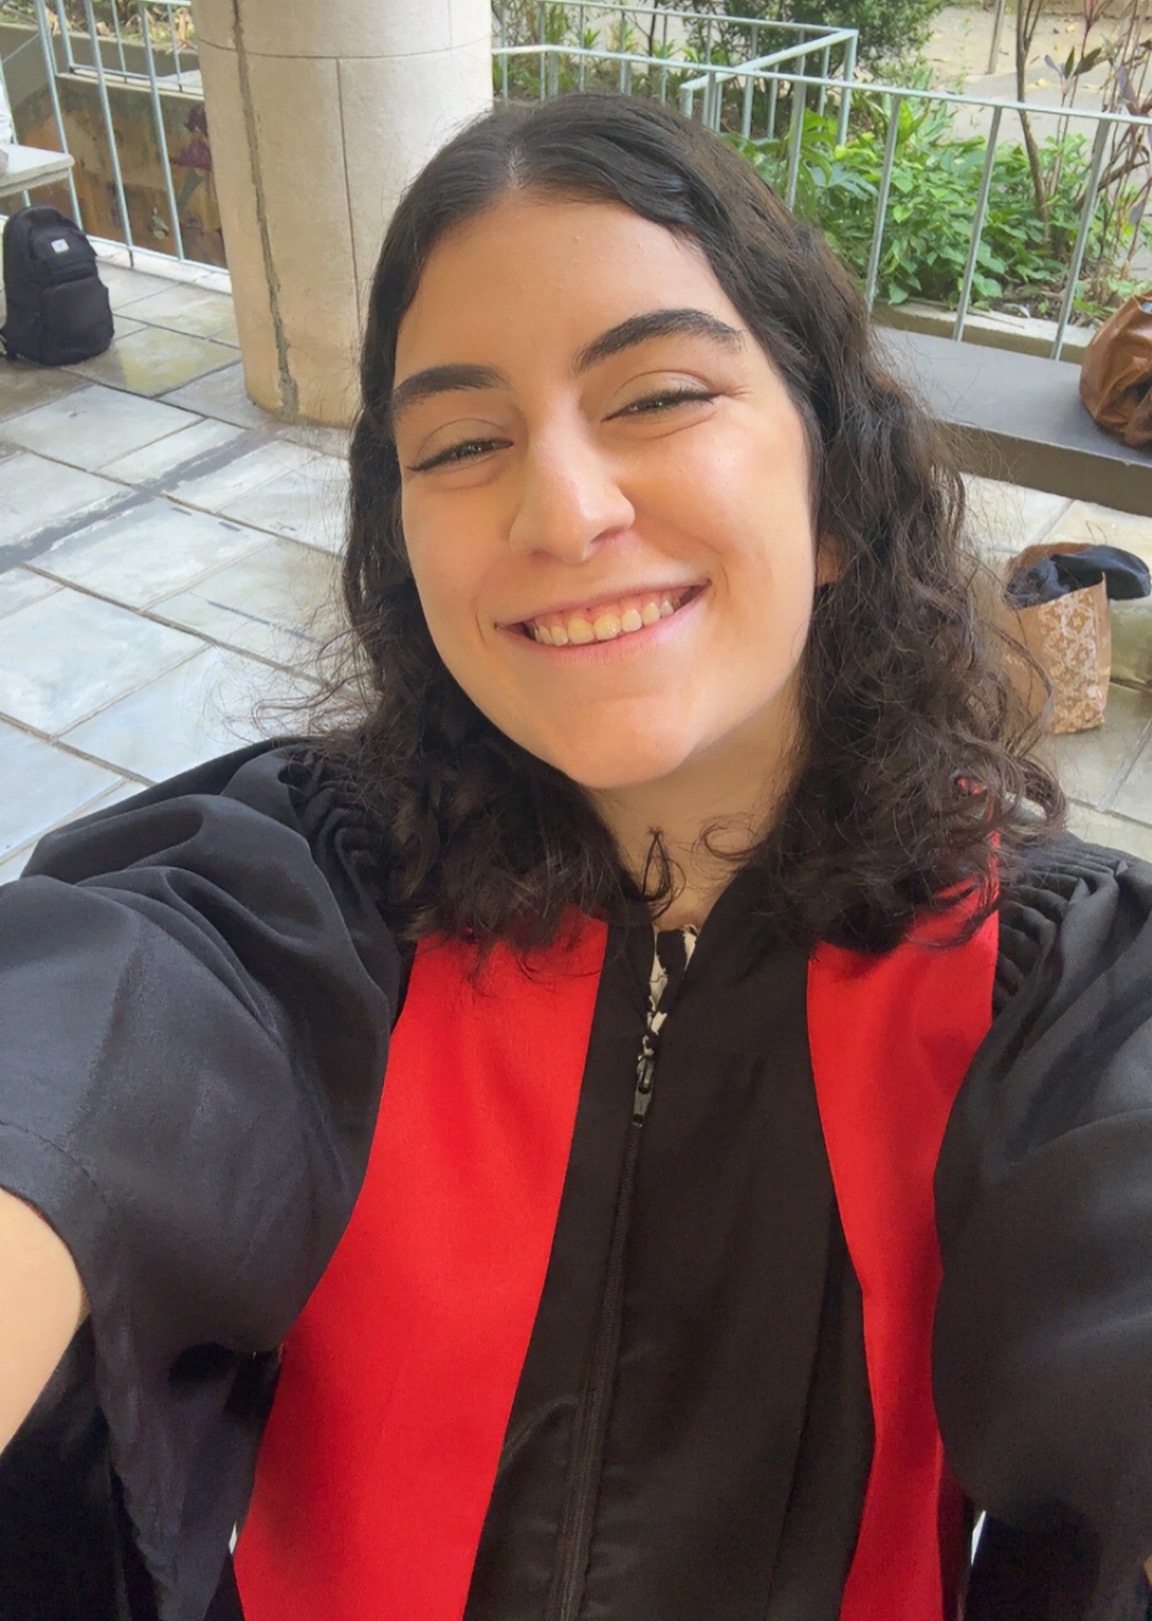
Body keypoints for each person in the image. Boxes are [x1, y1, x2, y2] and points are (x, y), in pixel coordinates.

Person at [1, 90, 1151, 1621]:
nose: (562, 507)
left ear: (832, 490)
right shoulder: (308, 896)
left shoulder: (1047, 987)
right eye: (464, 441)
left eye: (658, 395)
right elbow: (82, 1058)